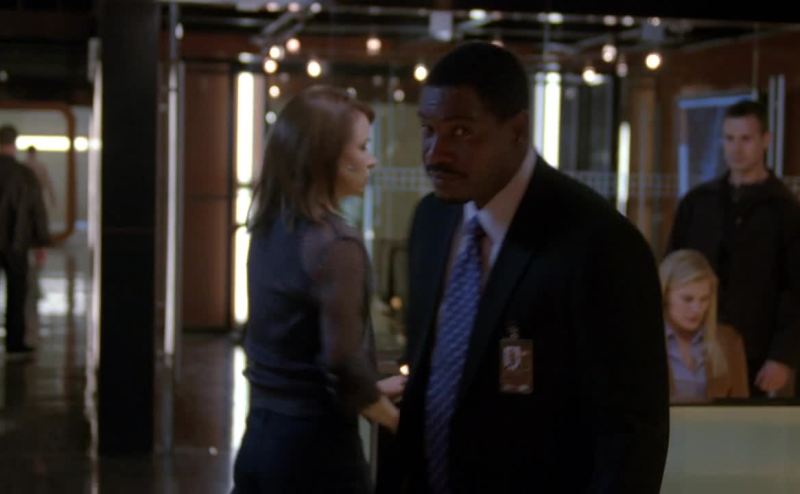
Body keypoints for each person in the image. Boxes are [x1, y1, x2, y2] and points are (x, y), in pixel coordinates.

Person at [378, 42, 669, 493]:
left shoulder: (600, 243)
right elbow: (426, 384)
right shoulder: (432, 221)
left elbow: (631, 435)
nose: (436, 153)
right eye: (428, 130)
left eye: (461, 132)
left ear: (517, 130)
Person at [231, 86, 405, 494]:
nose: (372, 160)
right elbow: (341, 359)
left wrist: (370, 389)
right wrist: (394, 420)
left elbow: (295, 351)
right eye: (362, 147)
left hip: (260, 439)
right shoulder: (336, 244)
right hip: (315, 454)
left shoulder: (269, 228)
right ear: (325, 158)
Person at [667, 99, 800, 398]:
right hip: (695, 346)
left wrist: (783, 355)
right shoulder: (698, 202)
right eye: (729, 138)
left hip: (759, 349)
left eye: (745, 139)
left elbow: (796, 290)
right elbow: (672, 271)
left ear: (765, 140)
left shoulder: (785, 210)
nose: (736, 148)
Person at [659, 249, 749, 403]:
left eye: (704, 299)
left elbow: (740, 408)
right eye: (688, 299)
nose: (697, 309)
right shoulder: (641, 342)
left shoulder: (728, 342)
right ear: (665, 295)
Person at [0, 124, 49, 357]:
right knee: (17, 292)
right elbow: (37, 210)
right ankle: (14, 341)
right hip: (16, 243)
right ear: (14, 144)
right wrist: (40, 243)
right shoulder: (24, 174)